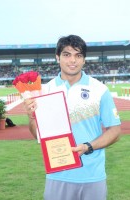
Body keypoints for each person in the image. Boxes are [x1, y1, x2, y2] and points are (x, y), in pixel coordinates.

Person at [24, 35, 121, 200]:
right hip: (57, 174)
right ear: (57, 57)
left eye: (78, 55)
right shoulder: (44, 91)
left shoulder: (99, 89)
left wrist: (88, 146)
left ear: (84, 60)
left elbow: (115, 130)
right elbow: (38, 135)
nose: (72, 60)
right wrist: (32, 118)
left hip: (93, 175)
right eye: (67, 54)